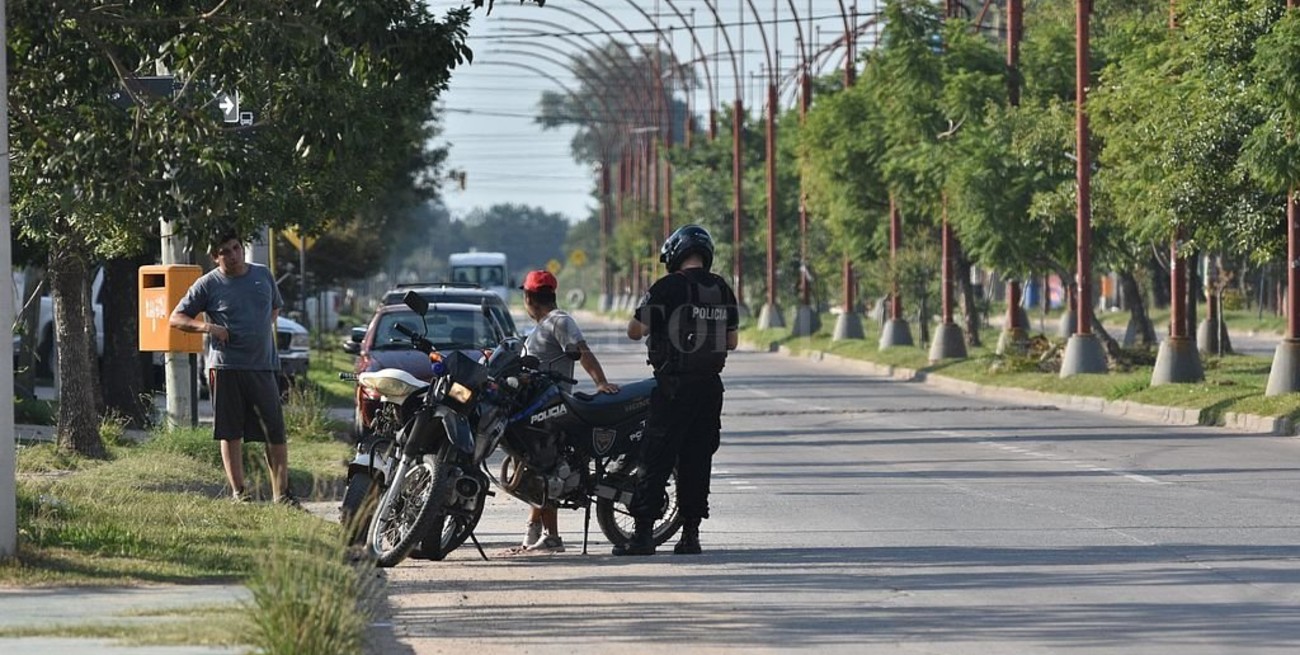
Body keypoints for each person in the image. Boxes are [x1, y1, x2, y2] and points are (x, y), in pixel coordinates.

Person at [615, 225, 738, 556]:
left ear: (675, 253)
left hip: (673, 387)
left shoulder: (667, 287)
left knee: (655, 459)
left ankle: (643, 535)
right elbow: (731, 341)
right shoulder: (722, 288)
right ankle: (690, 536)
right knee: (697, 460)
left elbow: (635, 331)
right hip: (710, 388)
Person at [169, 230, 300, 508]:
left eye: (236, 248)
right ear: (215, 257)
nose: (233, 255)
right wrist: (209, 327)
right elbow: (176, 318)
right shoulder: (208, 284)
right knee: (230, 432)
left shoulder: (262, 275)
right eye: (225, 251)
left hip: (263, 365)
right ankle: (240, 492)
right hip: (226, 367)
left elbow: (274, 308)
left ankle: (282, 494)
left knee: (275, 431)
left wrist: (257, 331)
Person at [501, 269, 620, 555]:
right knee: (531, 468)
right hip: (535, 408)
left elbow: (581, 351)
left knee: (543, 468)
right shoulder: (541, 327)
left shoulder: (559, 320)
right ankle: (533, 533)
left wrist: (600, 382)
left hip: (552, 409)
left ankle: (552, 537)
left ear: (529, 298)